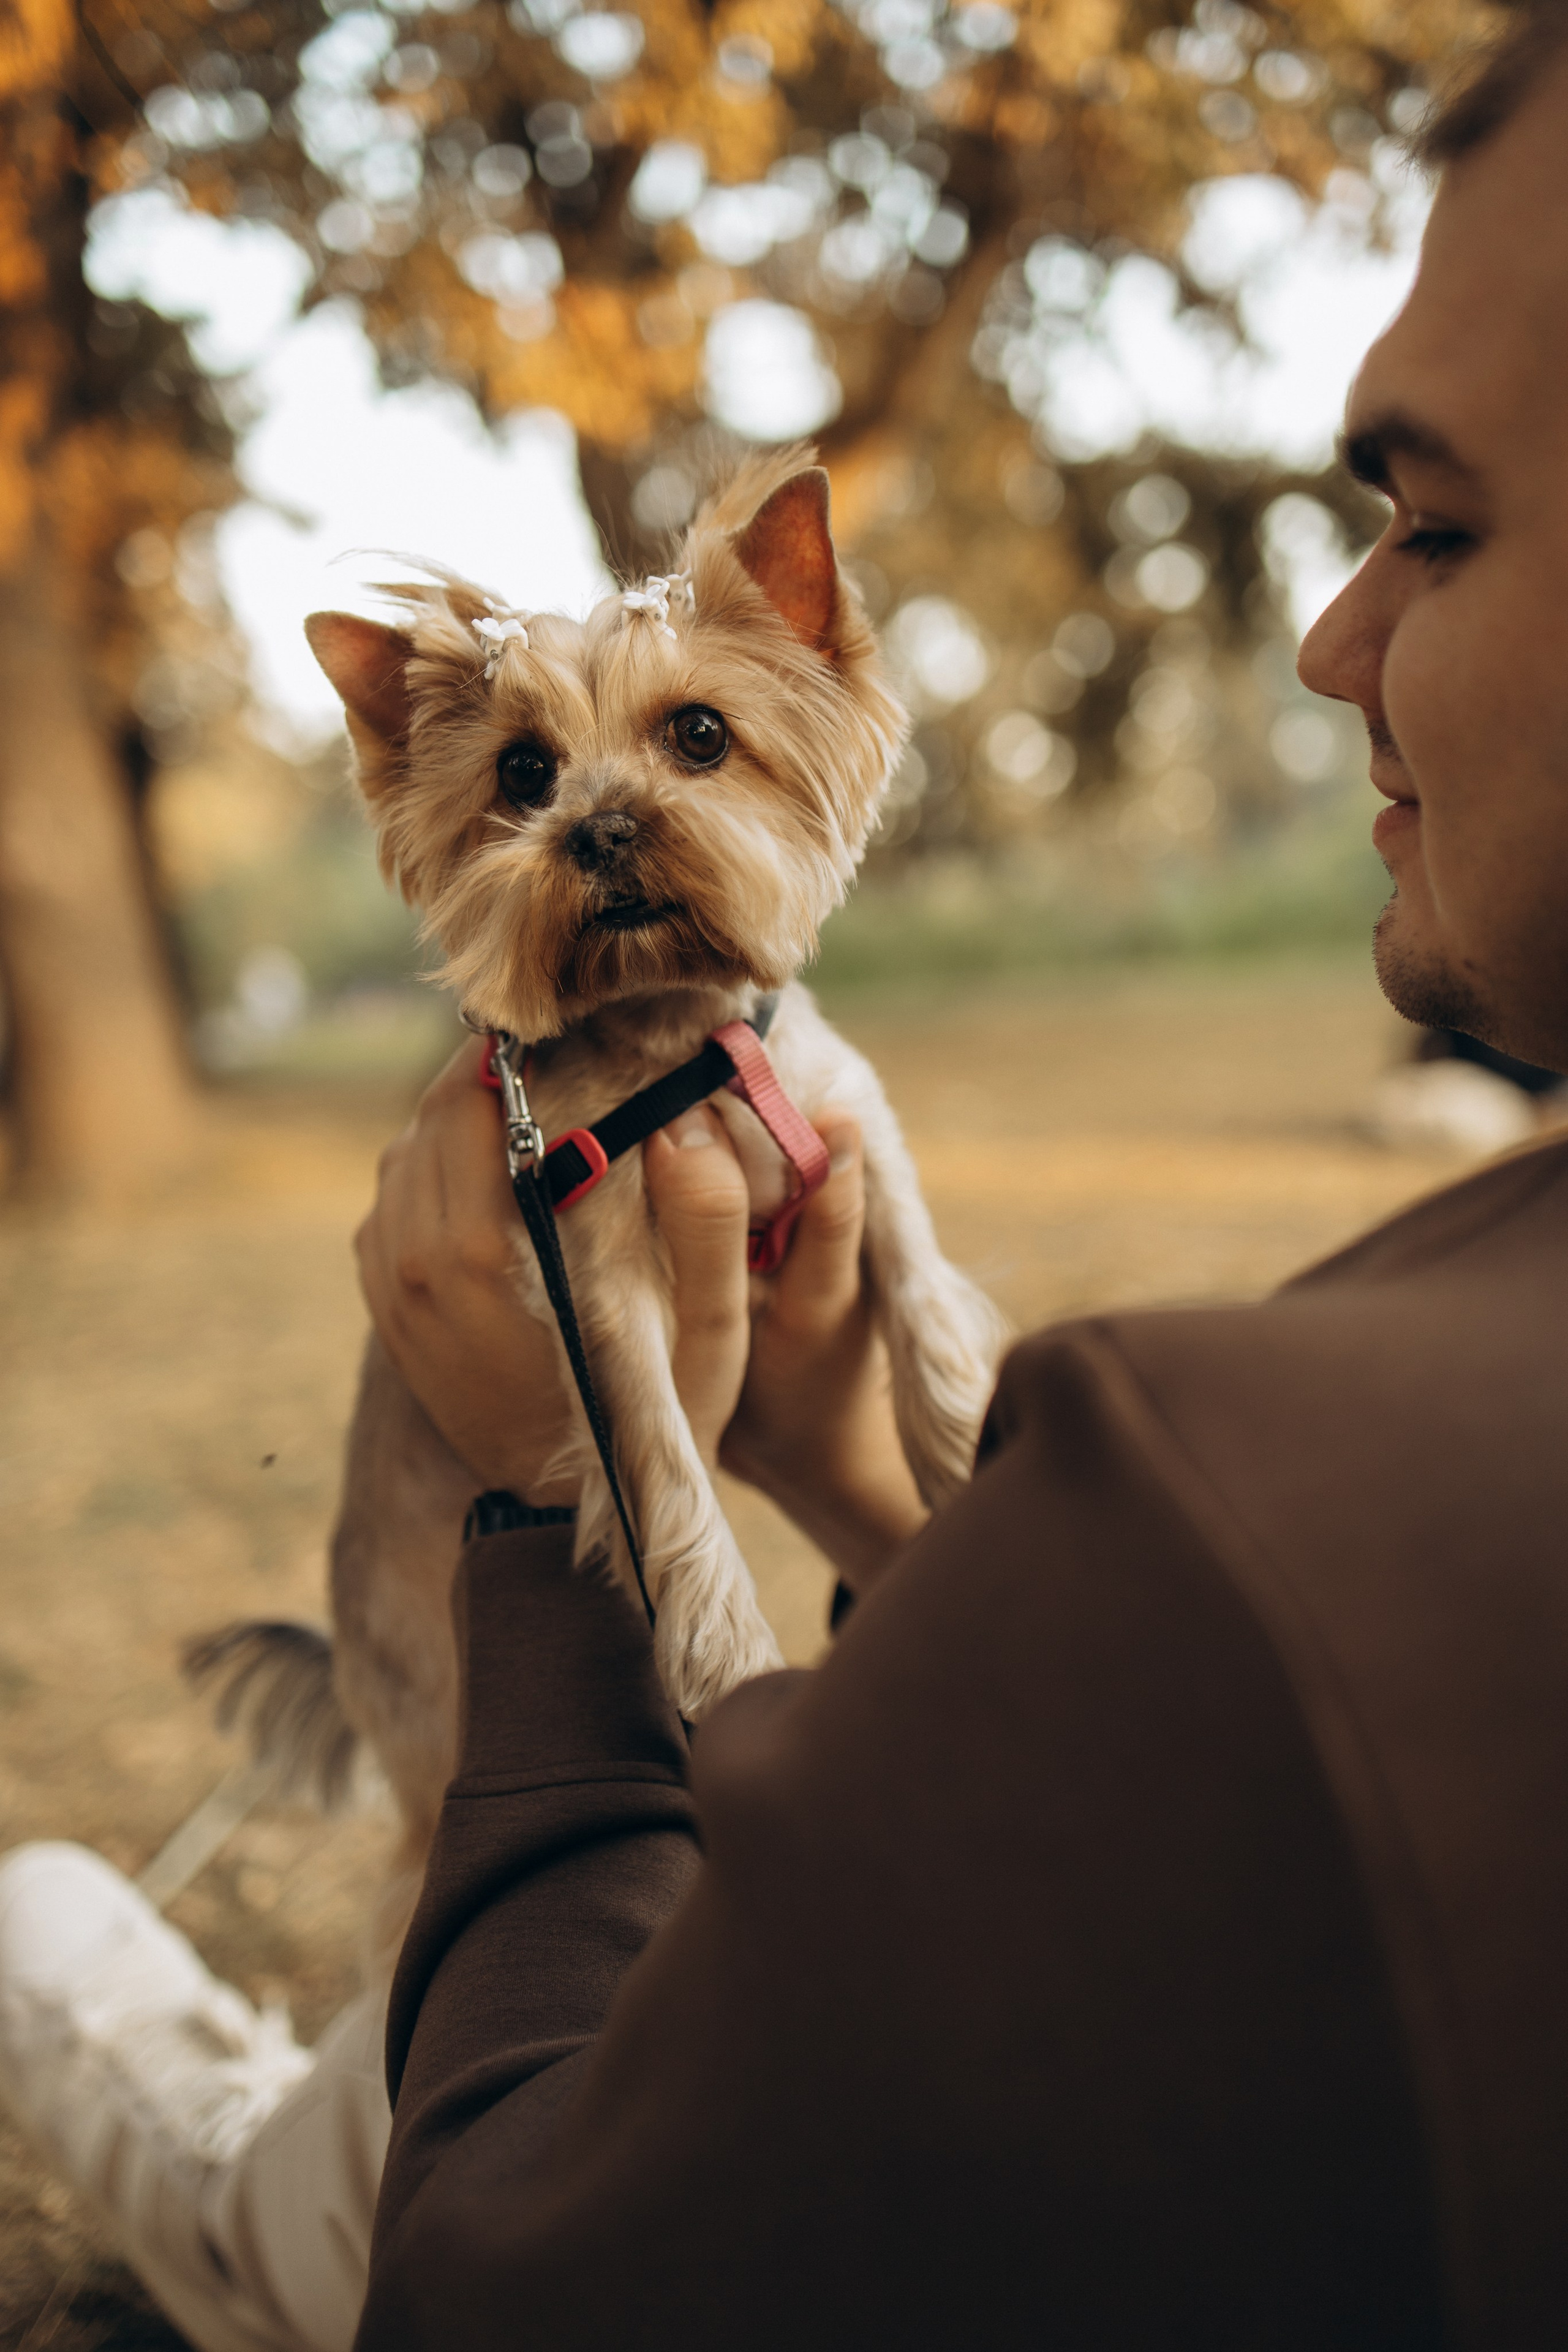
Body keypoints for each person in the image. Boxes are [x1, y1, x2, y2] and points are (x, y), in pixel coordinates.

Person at [6, 8, 1568, 2343]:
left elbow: (528, 2263)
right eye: (523, 784)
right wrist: (850, 1467)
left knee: (188, 2081)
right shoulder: (1341, 1430)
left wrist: (554, 1522)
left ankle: (143, 2082)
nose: (1337, 627)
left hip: (563, 2066)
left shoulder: (1251, 1491)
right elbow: (1025, 1680)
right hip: (565, 1765)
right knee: (387, 1917)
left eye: (1432, 523)